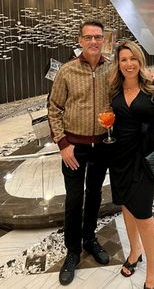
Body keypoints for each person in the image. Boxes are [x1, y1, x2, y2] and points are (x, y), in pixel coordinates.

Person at [100, 40, 154, 289]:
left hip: (148, 158)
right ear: (118, 64)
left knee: (143, 213)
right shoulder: (114, 89)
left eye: (133, 58)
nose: (129, 64)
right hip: (119, 157)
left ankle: (152, 269)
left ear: (140, 60)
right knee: (126, 207)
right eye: (123, 59)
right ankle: (135, 251)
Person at [48, 20, 111, 286]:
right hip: (75, 148)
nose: (94, 42)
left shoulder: (113, 68)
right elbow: (54, 108)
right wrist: (63, 144)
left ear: (103, 40)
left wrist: (153, 78)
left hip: (102, 146)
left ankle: (90, 239)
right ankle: (73, 250)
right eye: (89, 37)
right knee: (74, 199)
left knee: (95, 194)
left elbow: (135, 81)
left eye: (98, 37)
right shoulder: (67, 71)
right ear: (80, 40)